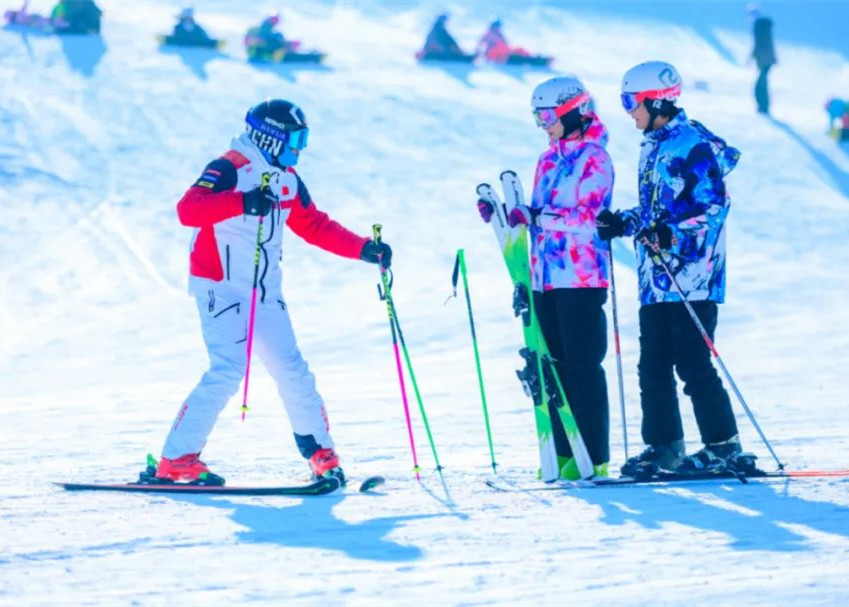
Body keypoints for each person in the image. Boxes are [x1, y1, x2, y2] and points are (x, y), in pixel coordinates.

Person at [153, 99, 392, 486]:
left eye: (304, 138)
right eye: (296, 139)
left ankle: (320, 452)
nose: (300, 148)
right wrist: (242, 202)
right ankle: (176, 459)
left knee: (292, 370)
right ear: (270, 136)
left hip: (265, 294)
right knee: (227, 370)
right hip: (222, 286)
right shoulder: (230, 166)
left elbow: (314, 224)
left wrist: (363, 248)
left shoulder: (288, 178)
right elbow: (188, 210)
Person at [596, 61, 744, 478]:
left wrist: (671, 235)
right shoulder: (654, 145)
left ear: (656, 100)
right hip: (656, 278)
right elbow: (655, 211)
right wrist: (624, 222)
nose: (628, 112)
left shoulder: (691, 144)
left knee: (693, 362)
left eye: (631, 102)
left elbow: (715, 208)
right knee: (653, 364)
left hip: (694, 275)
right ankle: (665, 447)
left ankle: (724, 447)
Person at [478, 77, 614, 479]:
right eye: (536, 116)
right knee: (551, 367)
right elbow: (538, 217)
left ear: (573, 111)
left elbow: (589, 219)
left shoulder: (595, 159)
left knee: (582, 366)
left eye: (547, 115)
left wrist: (537, 217)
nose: (543, 124)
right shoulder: (548, 159)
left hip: (582, 276)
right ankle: (564, 452)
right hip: (545, 277)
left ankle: (595, 455)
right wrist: (508, 218)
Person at [748, 5, 777, 114]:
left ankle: (763, 107)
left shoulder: (758, 26)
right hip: (767, 60)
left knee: (760, 86)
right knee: (762, 85)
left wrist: (752, 56)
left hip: (764, 61)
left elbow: (759, 44)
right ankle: (763, 107)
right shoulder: (764, 26)